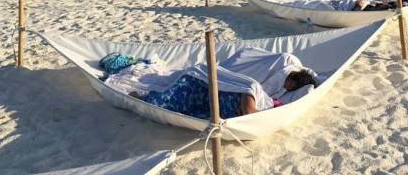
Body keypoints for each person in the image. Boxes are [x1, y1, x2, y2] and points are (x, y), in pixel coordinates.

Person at [130, 68, 316, 118]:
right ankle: (137, 97)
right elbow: (249, 93)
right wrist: (253, 112)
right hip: (201, 87)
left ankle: (141, 97)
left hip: (207, 101)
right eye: (292, 84)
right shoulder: (260, 92)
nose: (288, 88)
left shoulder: (272, 101)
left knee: (176, 108)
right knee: (161, 102)